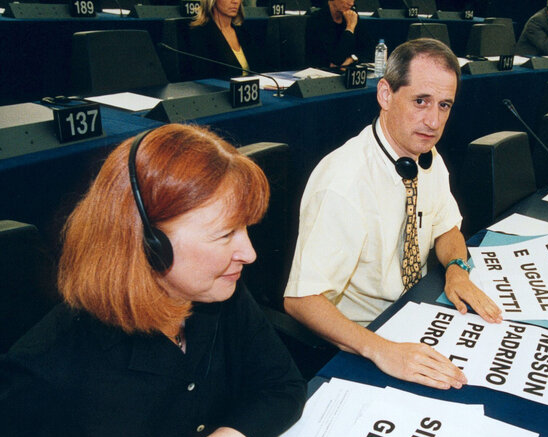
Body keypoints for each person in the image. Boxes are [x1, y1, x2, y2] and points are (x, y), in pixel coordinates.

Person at [0, 124, 306, 437]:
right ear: (149, 243)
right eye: (225, 234)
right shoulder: (43, 373)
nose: (248, 253)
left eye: (245, 229)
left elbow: (282, 389)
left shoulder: (215, 290)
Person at [284, 38, 503, 390]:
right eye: (421, 101)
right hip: (366, 337)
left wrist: (458, 271)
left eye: (444, 105)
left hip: (416, 312)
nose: (433, 121)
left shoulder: (426, 156)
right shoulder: (344, 181)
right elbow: (301, 300)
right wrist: (381, 350)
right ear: (385, 94)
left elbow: (447, 229)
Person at [188, 0, 266, 79]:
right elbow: (202, 76)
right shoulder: (200, 33)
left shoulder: (243, 31)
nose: (235, 1)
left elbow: (260, 68)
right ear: (212, 1)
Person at [306, 0, 372, 68]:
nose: (351, 3)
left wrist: (352, 59)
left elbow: (369, 52)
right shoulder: (316, 20)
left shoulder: (352, 17)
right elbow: (336, 59)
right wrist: (350, 28)